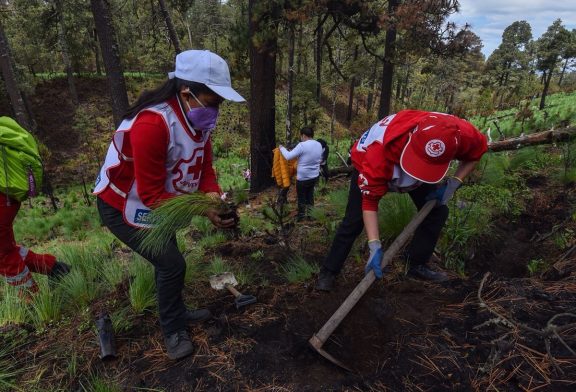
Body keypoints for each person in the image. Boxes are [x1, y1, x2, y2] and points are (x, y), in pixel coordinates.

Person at [94, 49, 245, 360]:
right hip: (124, 207)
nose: (217, 109)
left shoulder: (198, 119)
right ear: (186, 90)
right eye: (214, 100)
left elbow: (205, 170)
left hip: (160, 205)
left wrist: (213, 196)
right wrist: (203, 209)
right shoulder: (153, 123)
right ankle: (173, 329)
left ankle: (176, 310)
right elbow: (150, 195)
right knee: (171, 263)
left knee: (171, 261)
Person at [315, 110, 488, 291]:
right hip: (375, 160)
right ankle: (329, 271)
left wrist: (454, 183)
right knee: (354, 221)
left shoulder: (461, 134)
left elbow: (478, 151)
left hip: (417, 161)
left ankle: (416, 263)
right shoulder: (378, 154)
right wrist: (374, 244)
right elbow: (369, 202)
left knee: (437, 211)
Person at [0, 192, 70, 299]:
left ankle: (30, 299)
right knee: (8, 250)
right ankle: (55, 268)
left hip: (4, 198)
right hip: (6, 197)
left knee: (4, 256)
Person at [279, 127, 323, 220]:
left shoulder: (302, 145)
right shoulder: (318, 144)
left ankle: (301, 216)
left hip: (303, 178)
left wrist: (282, 148)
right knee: (310, 196)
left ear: (303, 135)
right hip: (314, 176)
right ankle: (311, 215)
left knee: (302, 197)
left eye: (301, 136)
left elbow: (288, 156)